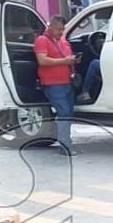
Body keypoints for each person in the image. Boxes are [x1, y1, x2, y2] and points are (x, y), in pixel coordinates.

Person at [33, 16, 79, 156]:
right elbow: (42, 61)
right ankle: (65, 145)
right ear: (50, 27)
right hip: (53, 84)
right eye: (59, 29)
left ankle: (66, 142)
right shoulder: (42, 40)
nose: (61, 32)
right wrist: (65, 61)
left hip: (67, 81)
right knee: (64, 113)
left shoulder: (63, 41)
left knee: (68, 113)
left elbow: (67, 58)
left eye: (63, 29)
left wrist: (73, 61)